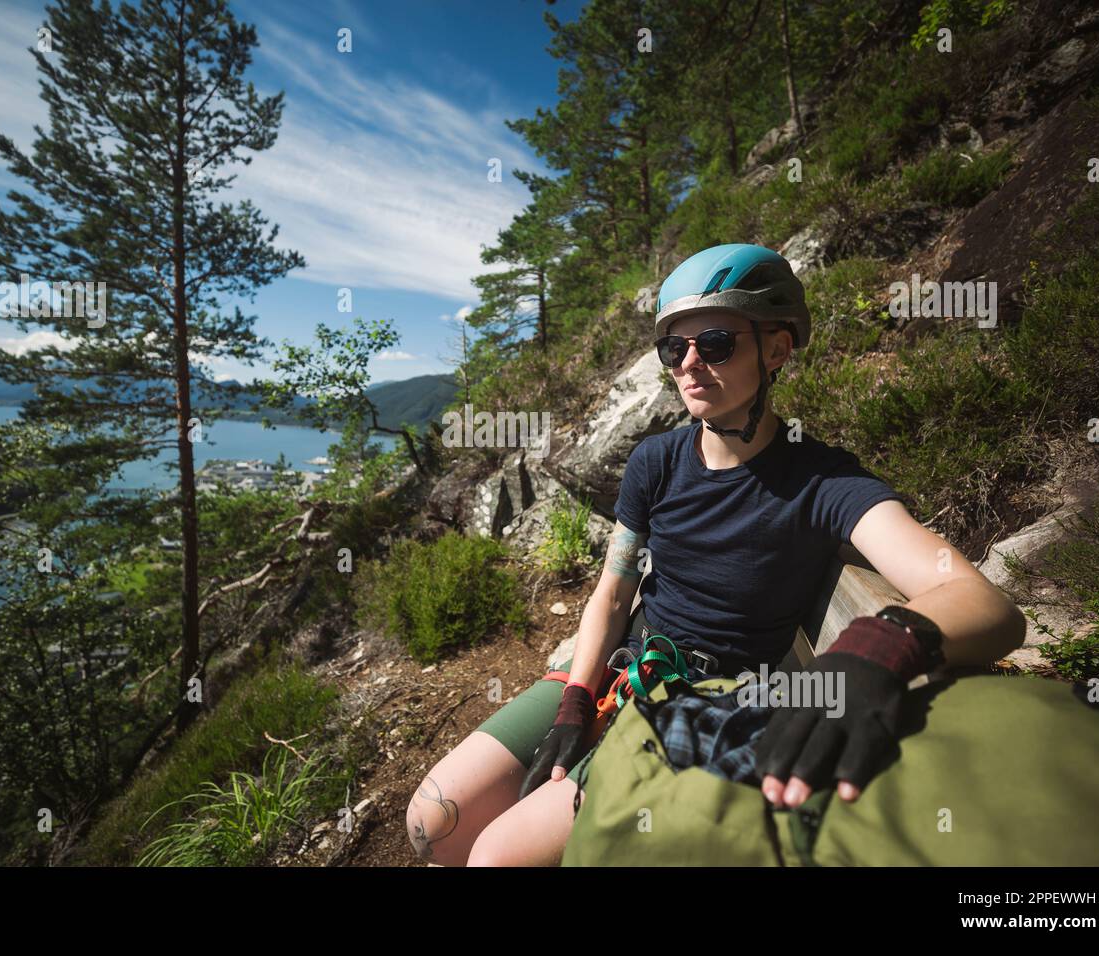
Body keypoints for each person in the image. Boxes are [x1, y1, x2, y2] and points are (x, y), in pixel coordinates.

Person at [405, 243, 1027, 867]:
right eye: (674, 348)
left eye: (717, 342)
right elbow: (615, 592)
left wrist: (878, 651)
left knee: (495, 858)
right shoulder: (656, 461)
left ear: (776, 349)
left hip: (710, 702)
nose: (690, 364)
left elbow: (984, 604)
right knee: (434, 821)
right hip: (625, 666)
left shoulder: (824, 483)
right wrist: (575, 699)